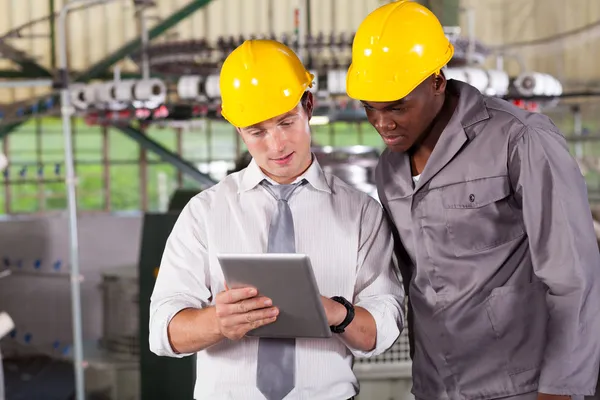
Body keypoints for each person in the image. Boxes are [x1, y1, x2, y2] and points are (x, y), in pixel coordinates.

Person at [345, 2, 600, 400]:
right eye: (369, 109)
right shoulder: (388, 170)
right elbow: (417, 285)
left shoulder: (520, 140)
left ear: (436, 82)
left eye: (396, 106)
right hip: (438, 386)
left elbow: (575, 277)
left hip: (524, 387)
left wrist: (561, 389)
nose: (383, 123)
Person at [149, 39, 405, 400]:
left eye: (287, 122)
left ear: (309, 106)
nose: (277, 145)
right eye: (257, 131)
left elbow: (382, 329)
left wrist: (336, 313)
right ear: (236, 127)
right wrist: (218, 322)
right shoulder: (204, 213)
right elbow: (163, 331)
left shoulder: (362, 214)